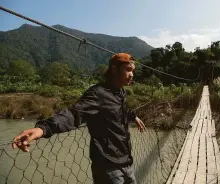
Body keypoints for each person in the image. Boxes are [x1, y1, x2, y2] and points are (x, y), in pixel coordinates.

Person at [12, 53, 146, 184]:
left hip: (127, 162)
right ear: (115, 69)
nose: (132, 74)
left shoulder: (120, 92)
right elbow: (74, 114)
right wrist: (42, 129)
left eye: (133, 70)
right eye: (128, 70)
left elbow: (121, 108)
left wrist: (134, 117)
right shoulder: (98, 93)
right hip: (109, 168)